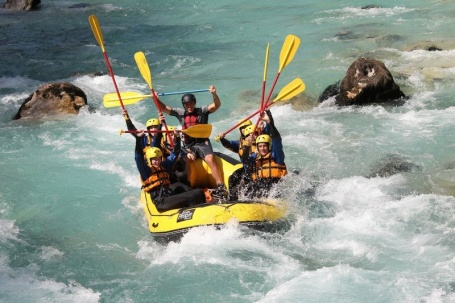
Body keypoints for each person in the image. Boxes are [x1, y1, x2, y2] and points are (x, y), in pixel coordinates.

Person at [155, 86, 228, 198]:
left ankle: (221, 186)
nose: (189, 106)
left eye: (191, 103)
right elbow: (164, 108)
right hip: (189, 145)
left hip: (203, 143)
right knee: (188, 159)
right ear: (184, 105)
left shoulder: (202, 111)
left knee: (210, 159)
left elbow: (217, 105)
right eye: (187, 104)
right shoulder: (180, 113)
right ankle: (189, 186)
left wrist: (214, 94)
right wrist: (155, 98)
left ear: (194, 103)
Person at [240, 109, 288, 198]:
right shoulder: (255, 157)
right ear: (257, 147)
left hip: (274, 190)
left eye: (265, 146)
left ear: (269, 146)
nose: (262, 149)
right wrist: (247, 146)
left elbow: (277, 139)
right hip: (259, 189)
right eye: (260, 146)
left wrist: (269, 122)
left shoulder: (277, 157)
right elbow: (244, 161)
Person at [142, 147, 207, 212]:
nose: (158, 161)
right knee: (195, 194)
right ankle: (195, 214)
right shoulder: (146, 172)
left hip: (168, 195)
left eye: (159, 159)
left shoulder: (163, 166)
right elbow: (138, 159)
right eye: (155, 160)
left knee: (199, 192)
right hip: (161, 201)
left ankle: (204, 212)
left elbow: (175, 153)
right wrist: (138, 139)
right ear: (149, 160)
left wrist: (178, 138)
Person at [122, 109, 162, 179]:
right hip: (148, 167)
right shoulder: (144, 138)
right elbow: (132, 130)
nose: (153, 130)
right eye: (151, 128)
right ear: (148, 130)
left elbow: (157, 140)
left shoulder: (163, 137)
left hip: (160, 163)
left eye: (156, 127)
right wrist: (127, 117)